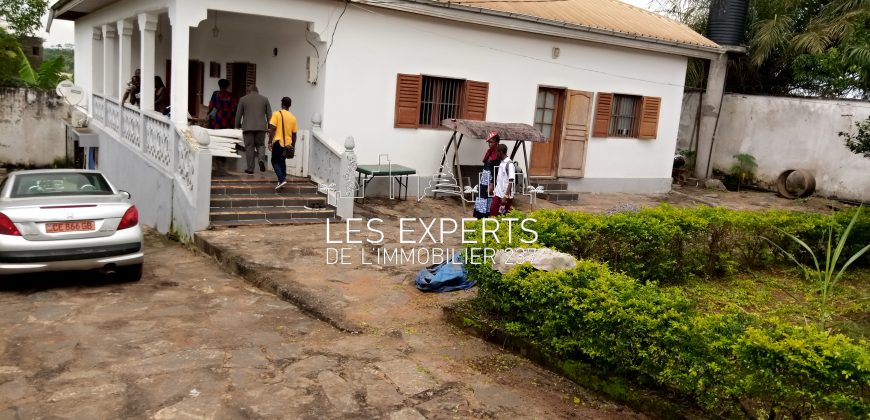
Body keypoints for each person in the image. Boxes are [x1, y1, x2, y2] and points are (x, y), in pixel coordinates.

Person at [235, 85, 271, 174]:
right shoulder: (265, 99)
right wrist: (270, 128)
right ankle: (261, 159)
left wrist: (236, 126)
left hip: (248, 128)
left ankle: (250, 169)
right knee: (261, 145)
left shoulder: (243, 99)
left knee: (249, 147)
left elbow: (238, 115)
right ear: (257, 91)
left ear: (248, 91)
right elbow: (270, 115)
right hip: (261, 128)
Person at [268, 97, 298, 189]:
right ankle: (282, 179)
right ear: (290, 105)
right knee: (282, 161)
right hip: (288, 144)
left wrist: (269, 141)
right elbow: (294, 134)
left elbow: (272, 129)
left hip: (278, 142)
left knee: (274, 161)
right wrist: (293, 146)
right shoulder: (293, 118)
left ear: (282, 104)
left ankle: (282, 179)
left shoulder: (276, 114)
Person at [473, 131, 500, 219]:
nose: (489, 144)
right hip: (484, 179)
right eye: (489, 142)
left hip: (491, 180)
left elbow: (496, 171)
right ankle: (480, 216)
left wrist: (492, 183)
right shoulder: (489, 152)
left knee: (488, 198)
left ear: (497, 142)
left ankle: (486, 217)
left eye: (491, 142)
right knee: (481, 197)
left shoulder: (498, 155)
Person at [489, 143, 515, 216]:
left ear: (500, 152)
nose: (496, 154)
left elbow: (511, 181)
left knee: (502, 215)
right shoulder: (502, 163)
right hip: (498, 194)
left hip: (504, 196)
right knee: (493, 211)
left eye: (497, 152)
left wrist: (505, 196)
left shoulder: (509, 164)